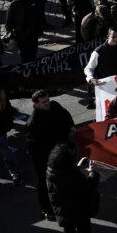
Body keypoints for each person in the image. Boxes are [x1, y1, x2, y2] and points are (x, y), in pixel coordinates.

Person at [26, 91, 74, 221]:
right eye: (44, 102)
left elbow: (66, 116)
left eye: (48, 100)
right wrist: (46, 164)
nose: (48, 103)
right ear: (36, 104)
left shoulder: (55, 106)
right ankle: (46, 209)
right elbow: (33, 148)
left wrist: (71, 126)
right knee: (44, 183)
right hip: (45, 157)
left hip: (62, 150)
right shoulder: (33, 122)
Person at [46, 140, 100, 233]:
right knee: (84, 231)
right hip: (79, 210)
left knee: (68, 230)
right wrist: (92, 172)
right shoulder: (72, 176)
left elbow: (66, 181)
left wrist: (77, 168)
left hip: (63, 210)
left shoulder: (52, 171)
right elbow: (88, 187)